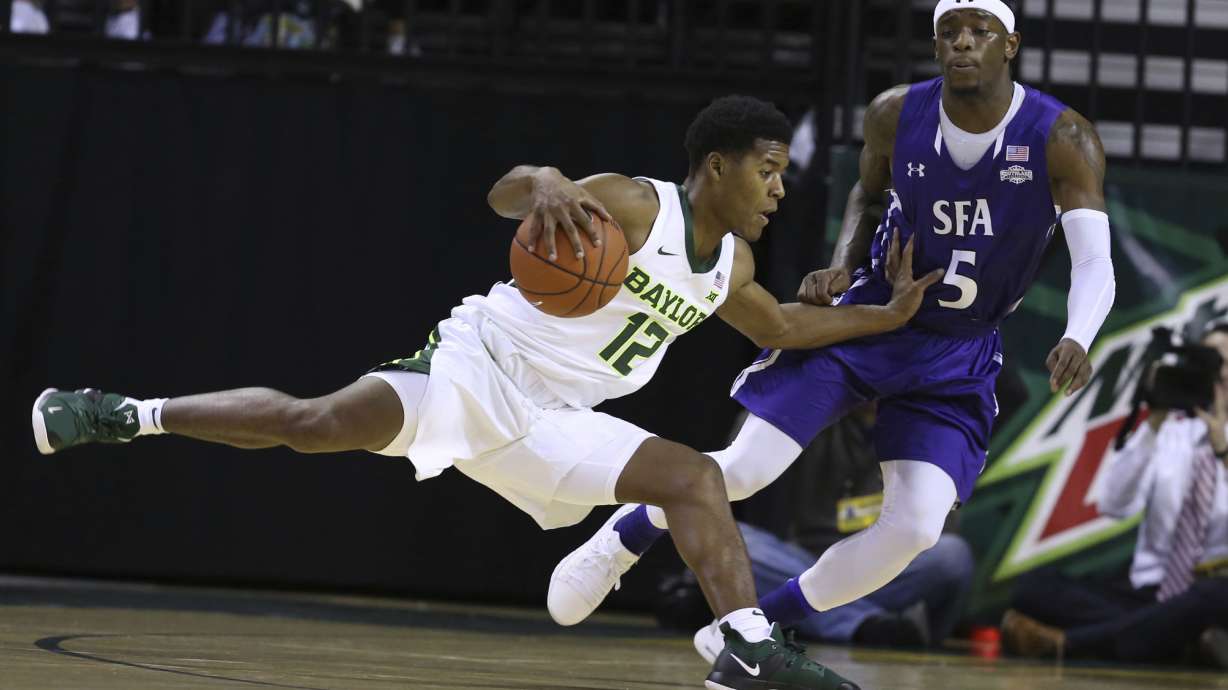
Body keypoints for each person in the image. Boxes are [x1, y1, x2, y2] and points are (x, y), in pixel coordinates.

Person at [30, 95, 946, 690]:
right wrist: (545, 180)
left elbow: (782, 329)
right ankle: (120, 413)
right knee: (313, 425)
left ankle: (742, 645)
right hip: (478, 367)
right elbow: (509, 194)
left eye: (783, 173)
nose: (781, 188)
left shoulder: (732, 265)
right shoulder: (633, 205)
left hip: (556, 418)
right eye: (769, 169)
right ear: (717, 169)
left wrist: (888, 315)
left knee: (695, 478)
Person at [547, 0, 1118, 663]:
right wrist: (843, 265)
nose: (962, 42)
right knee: (748, 471)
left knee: (916, 528)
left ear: (1009, 44)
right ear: (935, 45)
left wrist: (1080, 332)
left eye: (979, 30)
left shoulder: (1062, 137)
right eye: (948, 31)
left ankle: (756, 627)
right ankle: (630, 529)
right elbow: (867, 196)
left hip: (957, 348)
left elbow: (1095, 260)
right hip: (869, 317)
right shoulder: (895, 113)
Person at [656, 405, 976, 649]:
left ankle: (817, 619)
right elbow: (746, 466)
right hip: (802, 562)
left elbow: (933, 532)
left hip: (885, 570)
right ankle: (861, 624)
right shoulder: (817, 410)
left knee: (952, 554)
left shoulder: (930, 431)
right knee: (736, 538)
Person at [1002, 324, 1228, 667]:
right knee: (1033, 588)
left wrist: (1222, 449)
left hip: (1208, 591)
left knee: (1213, 595)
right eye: (1211, 361)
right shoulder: (1170, 430)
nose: (1220, 372)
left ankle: (1069, 644)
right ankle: (1176, 640)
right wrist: (1152, 422)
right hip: (1145, 593)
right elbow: (1114, 505)